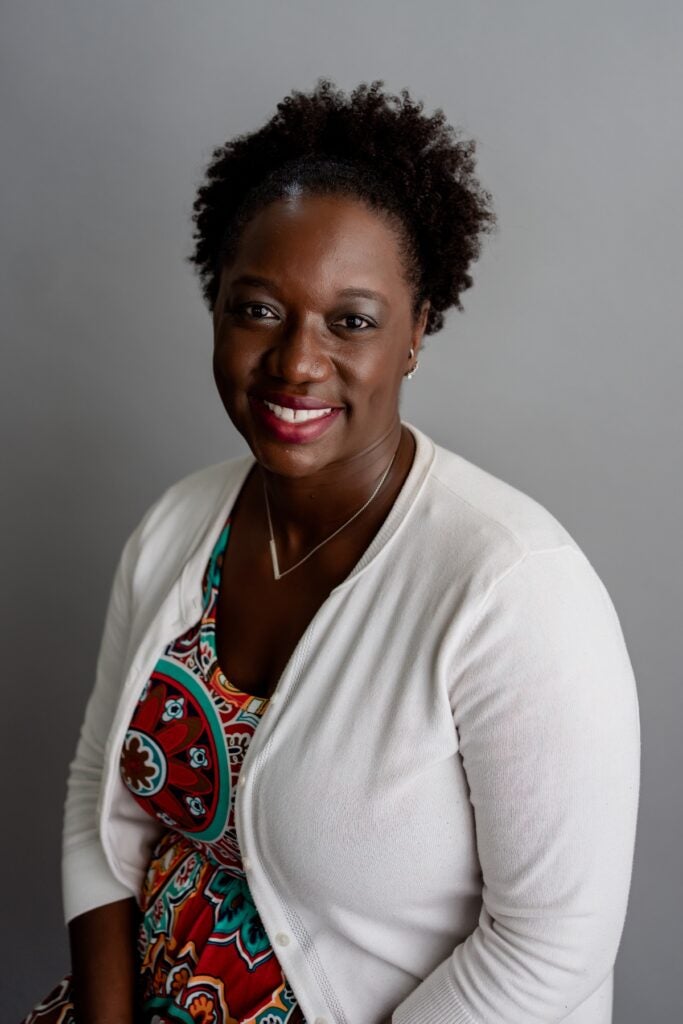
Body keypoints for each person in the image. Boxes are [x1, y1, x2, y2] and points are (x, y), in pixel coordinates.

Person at [23, 79, 640, 1024]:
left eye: (350, 321)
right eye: (258, 309)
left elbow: (549, 950)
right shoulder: (179, 525)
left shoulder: (514, 589)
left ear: (415, 332)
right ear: (216, 306)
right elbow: (94, 800)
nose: (296, 363)